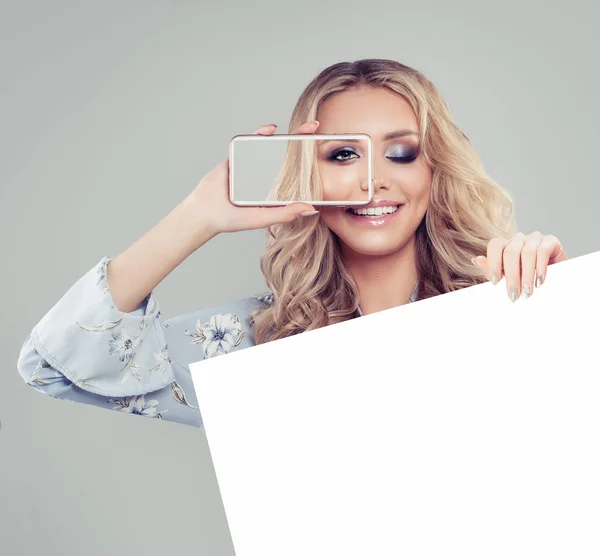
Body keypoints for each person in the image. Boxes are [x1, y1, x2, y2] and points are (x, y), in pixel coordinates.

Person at [16, 59, 568, 429]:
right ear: (306, 173)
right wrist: (195, 218)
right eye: (342, 155)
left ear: (435, 168)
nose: (373, 180)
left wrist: (562, 309)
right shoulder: (257, 342)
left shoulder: (498, 306)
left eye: (400, 152)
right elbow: (52, 364)